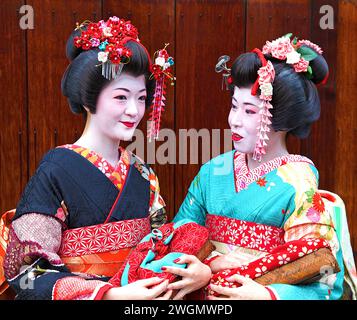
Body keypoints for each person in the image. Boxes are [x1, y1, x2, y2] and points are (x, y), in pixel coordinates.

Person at [169, 34, 357, 300]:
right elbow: (180, 235)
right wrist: (204, 268)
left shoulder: (299, 183)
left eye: (249, 111)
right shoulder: (213, 171)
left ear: (280, 118)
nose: (234, 120)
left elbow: (322, 275)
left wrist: (269, 294)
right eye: (234, 106)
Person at [1, 16, 174, 300]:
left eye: (141, 98)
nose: (134, 110)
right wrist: (108, 294)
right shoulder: (56, 170)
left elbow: (158, 247)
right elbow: (27, 271)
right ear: (87, 99)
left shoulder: (143, 173)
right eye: (121, 97)